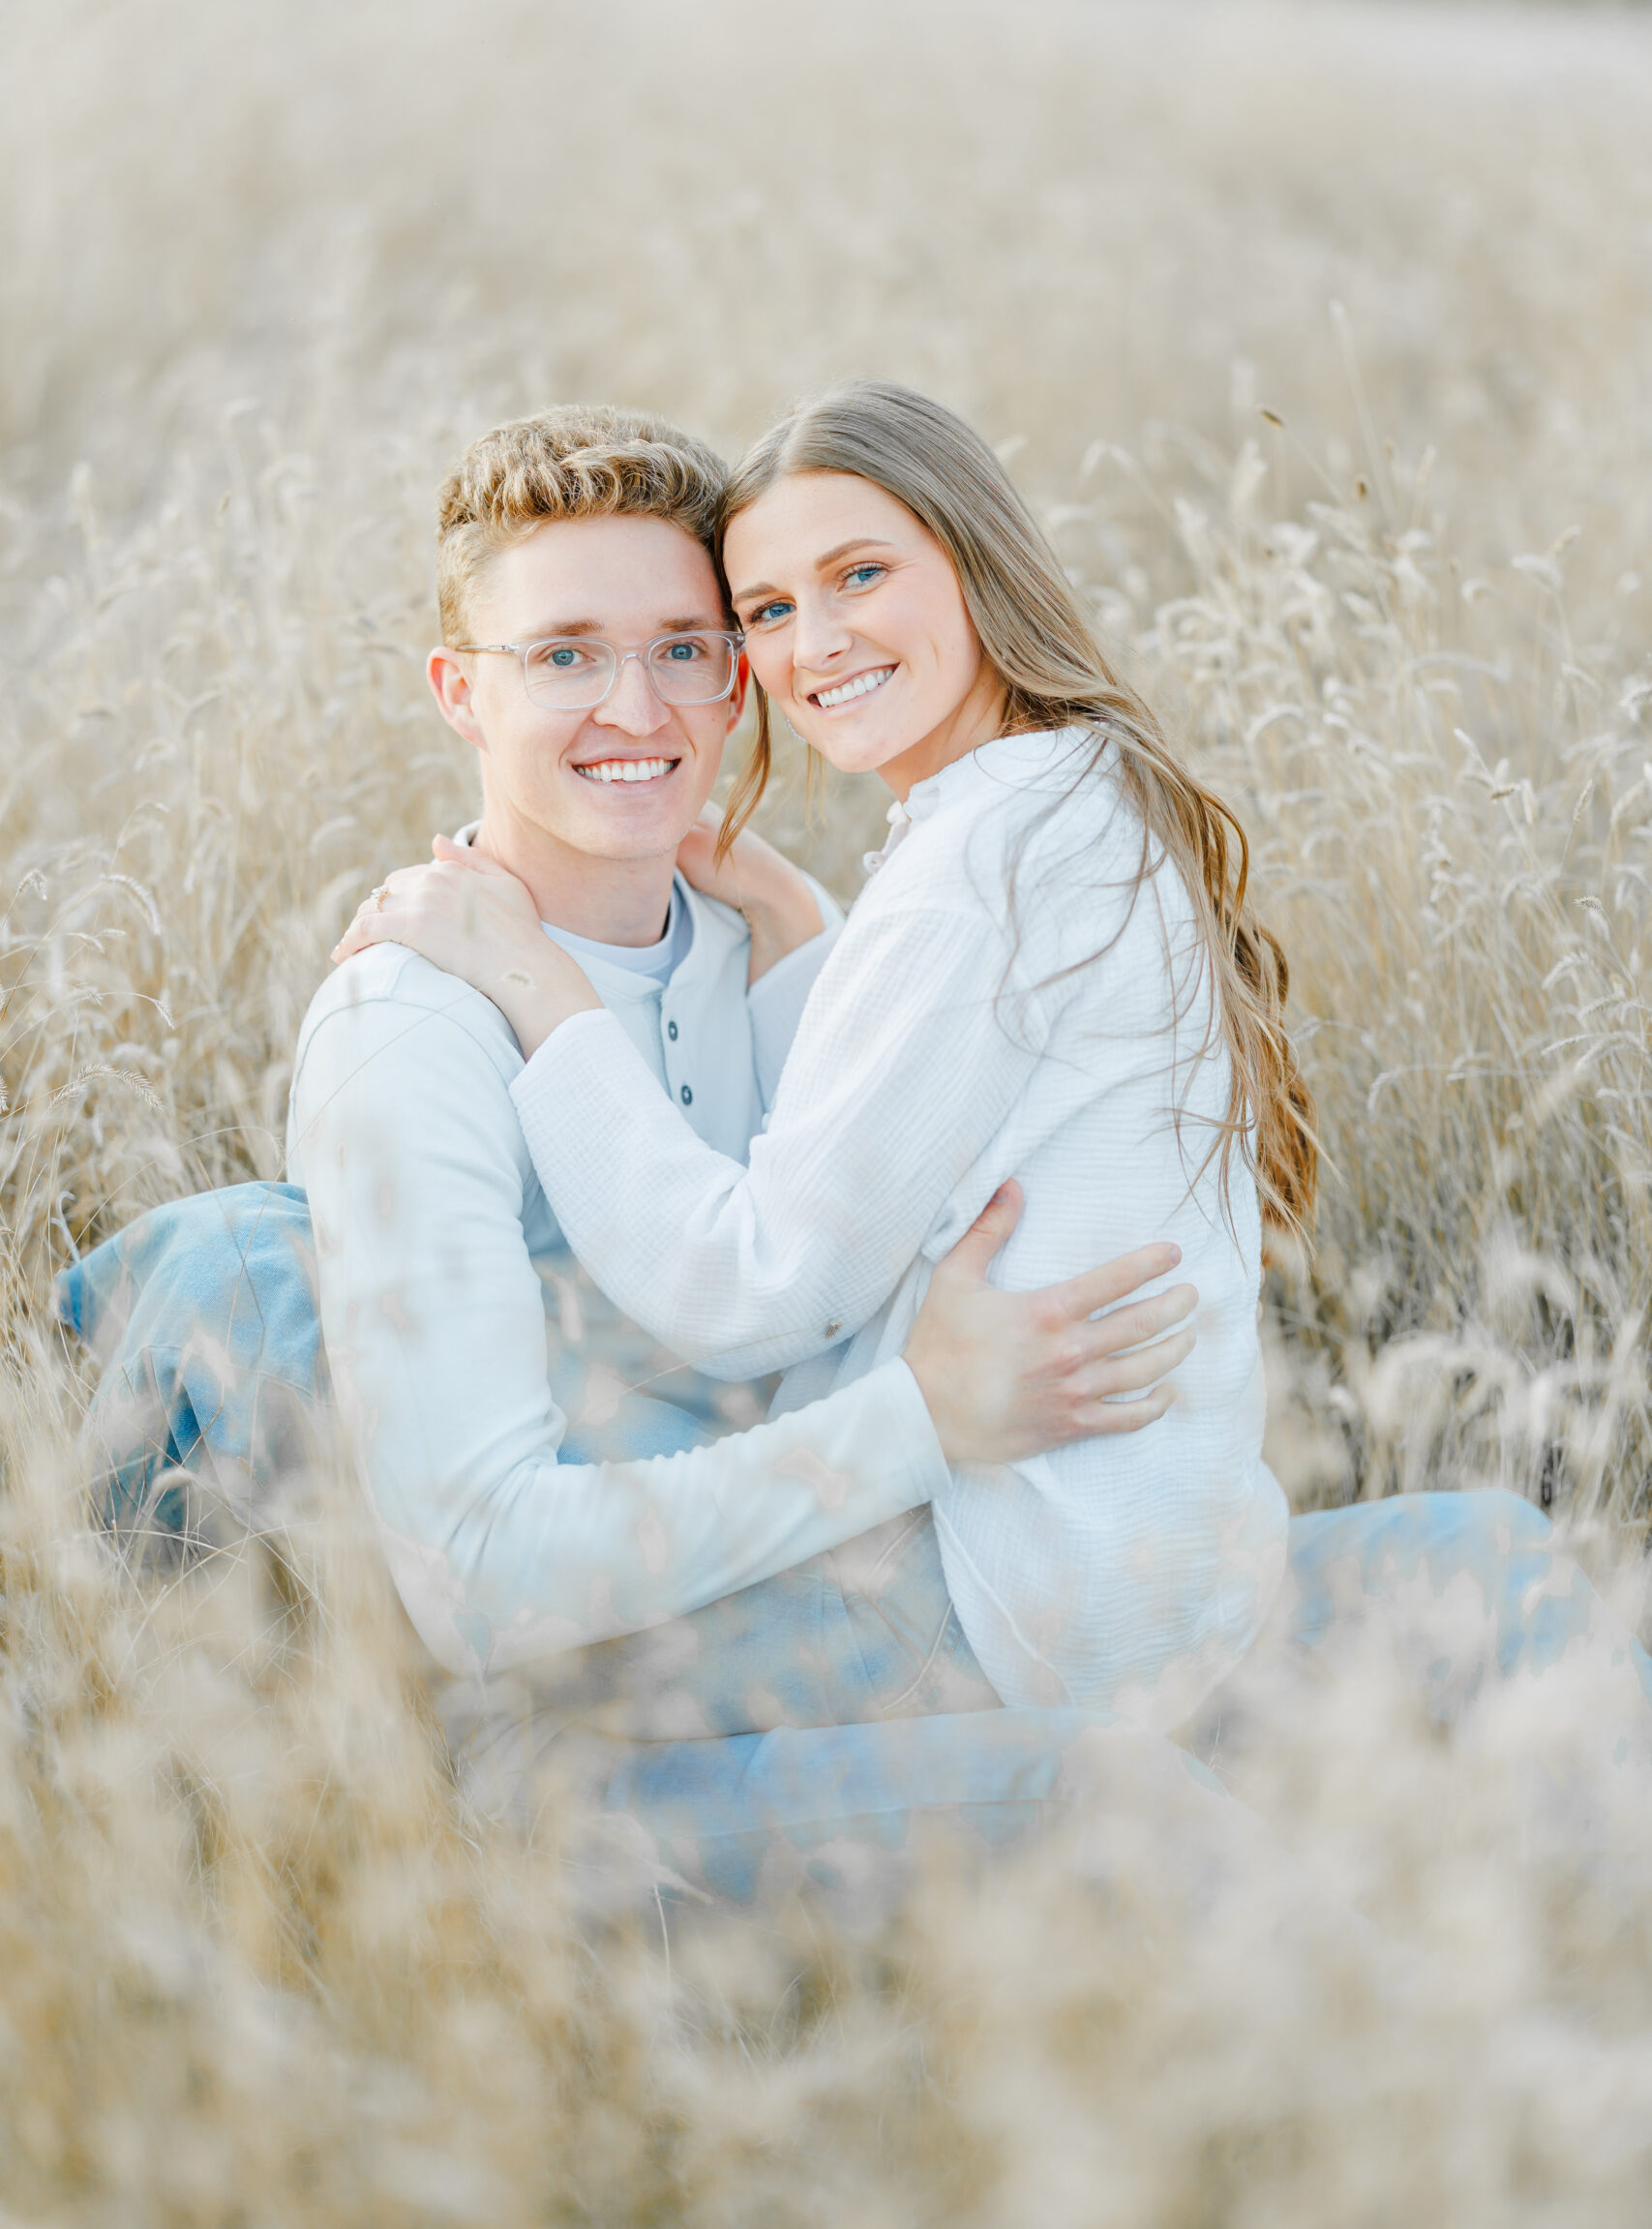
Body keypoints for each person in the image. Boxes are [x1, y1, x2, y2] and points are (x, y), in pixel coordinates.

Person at [60, 405, 1206, 1870]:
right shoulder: (417, 1032)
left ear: (742, 683)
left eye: (682, 648)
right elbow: (481, 1579)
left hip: (848, 1624)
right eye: (563, 656)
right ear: (458, 694)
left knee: (1439, 1582)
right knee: (1128, 1797)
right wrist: (921, 1417)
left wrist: (794, 920)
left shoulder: (768, 953)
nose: (637, 709)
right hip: (579, 1773)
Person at [337, 381, 1314, 1732]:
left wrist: (536, 984)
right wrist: (800, 926)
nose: (818, 643)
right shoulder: (1066, 795)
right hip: (1161, 1567)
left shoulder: (983, 861)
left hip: (1028, 1594)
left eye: (859, 575)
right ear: (463, 694)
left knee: (527, 1743)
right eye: (774, 611)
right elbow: (904, 1133)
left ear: (977, 563)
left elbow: (764, 1285)